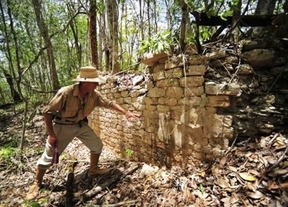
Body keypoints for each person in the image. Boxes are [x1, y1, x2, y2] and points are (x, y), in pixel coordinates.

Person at [26, 66, 140, 200]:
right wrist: (51, 134)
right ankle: (37, 183)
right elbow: (47, 112)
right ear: (85, 82)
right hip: (62, 126)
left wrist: (126, 113)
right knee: (49, 156)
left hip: (80, 125)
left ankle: (93, 169)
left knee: (97, 145)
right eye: (95, 82)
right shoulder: (66, 92)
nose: (97, 84)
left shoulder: (94, 95)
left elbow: (109, 103)